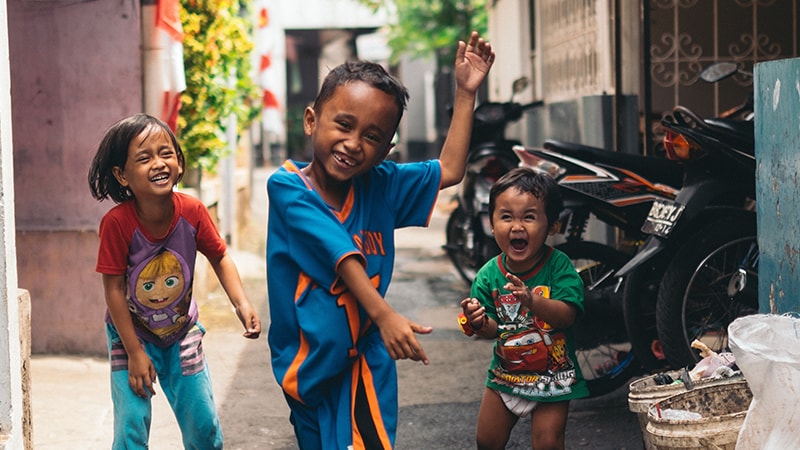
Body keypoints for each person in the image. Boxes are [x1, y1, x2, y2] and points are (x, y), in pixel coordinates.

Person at [266, 32, 494, 449]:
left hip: (363, 362)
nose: (354, 144)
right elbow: (340, 254)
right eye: (344, 125)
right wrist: (386, 314)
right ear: (312, 119)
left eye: (372, 136)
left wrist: (465, 93)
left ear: (387, 149)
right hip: (305, 368)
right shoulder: (287, 187)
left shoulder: (381, 184)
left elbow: (449, 169)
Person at [88, 113, 262, 449]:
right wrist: (136, 352)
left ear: (179, 163)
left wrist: (241, 303)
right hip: (131, 334)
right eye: (144, 157)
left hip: (182, 332)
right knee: (131, 426)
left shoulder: (193, 212)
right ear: (122, 175)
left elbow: (220, 256)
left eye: (166, 153)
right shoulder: (117, 224)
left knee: (203, 425)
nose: (159, 163)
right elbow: (113, 291)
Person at [458, 167, 588, 450]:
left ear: (552, 225)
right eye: (506, 217)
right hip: (506, 376)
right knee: (486, 440)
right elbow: (492, 330)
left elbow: (567, 315)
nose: (517, 227)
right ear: (491, 224)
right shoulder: (488, 275)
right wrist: (478, 321)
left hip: (554, 377)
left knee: (548, 443)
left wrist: (533, 301)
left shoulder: (559, 266)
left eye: (529, 217)